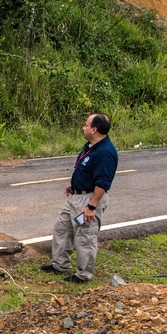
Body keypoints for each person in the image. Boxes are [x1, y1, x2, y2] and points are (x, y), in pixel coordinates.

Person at [41, 113, 118, 284]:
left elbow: (103, 183)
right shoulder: (91, 146)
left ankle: (83, 275)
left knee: (85, 236)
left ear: (94, 129)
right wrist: (72, 185)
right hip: (75, 197)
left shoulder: (105, 152)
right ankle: (60, 264)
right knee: (62, 228)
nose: (83, 127)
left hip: (88, 200)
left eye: (86, 124)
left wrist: (92, 206)